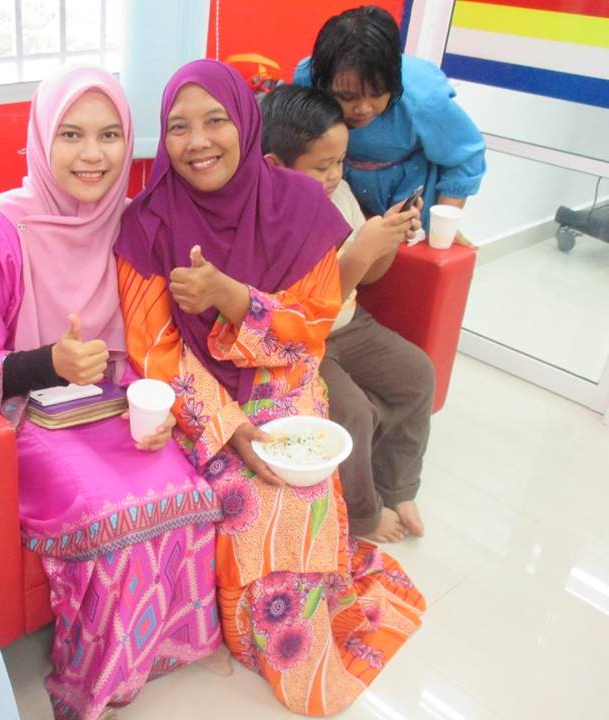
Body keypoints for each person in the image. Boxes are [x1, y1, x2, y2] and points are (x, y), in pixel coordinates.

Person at [116, 59, 425, 716]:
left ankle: (294, 627)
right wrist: (227, 426)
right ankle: (261, 634)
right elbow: (154, 348)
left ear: (246, 123)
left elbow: (311, 327)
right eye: (178, 127)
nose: (197, 141)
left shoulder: (301, 205)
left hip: (284, 377)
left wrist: (233, 298)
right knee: (250, 496)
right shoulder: (146, 223)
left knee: (296, 483)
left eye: (215, 120)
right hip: (200, 397)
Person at [0, 65, 223, 720]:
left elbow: (155, 333)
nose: (93, 155)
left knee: (190, 490)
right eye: (71, 134)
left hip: (119, 402)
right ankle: (97, 676)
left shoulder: (133, 222)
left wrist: (159, 401)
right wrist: (48, 363)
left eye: (109, 135)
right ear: (41, 138)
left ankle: (168, 647)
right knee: (105, 514)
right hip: (29, 413)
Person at [260, 83, 432, 542]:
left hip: (351, 324)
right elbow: (302, 312)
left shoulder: (341, 195)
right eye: (322, 166)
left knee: (416, 373)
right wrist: (360, 252)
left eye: (341, 161)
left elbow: (369, 277)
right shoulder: (271, 219)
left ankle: (397, 486)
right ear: (275, 165)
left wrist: (387, 240)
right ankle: (362, 515)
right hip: (304, 341)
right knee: (352, 410)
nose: (335, 175)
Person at [293, 5, 486, 237]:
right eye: (347, 96)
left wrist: (443, 229)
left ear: (394, 81)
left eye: (377, 94)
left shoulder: (422, 100)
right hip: (342, 195)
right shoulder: (308, 80)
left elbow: (466, 157)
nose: (363, 109)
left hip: (407, 202)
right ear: (323, 83)